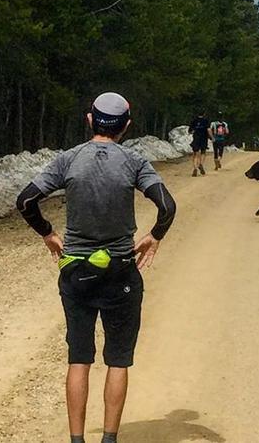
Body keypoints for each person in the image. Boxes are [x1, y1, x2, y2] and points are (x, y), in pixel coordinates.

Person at [16, 92, 177, 443]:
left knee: (79, 357)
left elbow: (26, 201)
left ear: (90, 120)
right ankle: (109, 439)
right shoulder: (135, 162)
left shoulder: (68, 160)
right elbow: (167, 206)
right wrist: (154, 236)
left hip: (76, 272)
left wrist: (48, 234)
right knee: (118, 360)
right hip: (121, 271)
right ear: (127, 127)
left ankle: (76, 440)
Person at [189, 110, 212, 176]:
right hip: (204, 139)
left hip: (196, 138)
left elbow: (190, 131)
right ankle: (201, 164)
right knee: (203, 152)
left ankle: (195, 168)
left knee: (195, 154)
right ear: (204, 114)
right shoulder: (206, 121)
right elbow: (208, 130)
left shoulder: (194, 121)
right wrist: (211, 137)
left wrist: (195, 131)